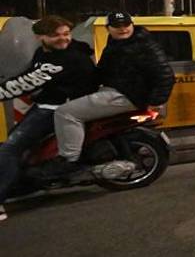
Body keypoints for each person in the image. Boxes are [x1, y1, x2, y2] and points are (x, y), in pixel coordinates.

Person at [0, 16, 99, 212]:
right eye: (55, 35)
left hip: (55, 109)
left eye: (66, 34)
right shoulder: (43, 54)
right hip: (48, 104)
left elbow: (24, 83)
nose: (63, 39)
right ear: (40, 37)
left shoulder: (67, 58)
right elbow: (27, 76)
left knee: (9, 148)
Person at [53, 12, 175, 167]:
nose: (122, 29)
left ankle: (69, 160)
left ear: (132, 24)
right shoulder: (116, 43)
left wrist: (156, 101)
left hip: (128, 96)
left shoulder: (144, 46)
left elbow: (165, 75)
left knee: (66, 113)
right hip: (115, 91)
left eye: (126, 25)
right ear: (108, 28)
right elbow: (103, 70)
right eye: (117, 26)